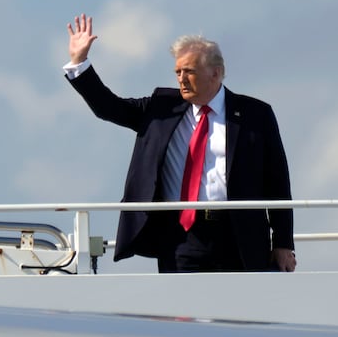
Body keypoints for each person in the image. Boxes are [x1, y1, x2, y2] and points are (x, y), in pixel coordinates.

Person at [64, 14, 296, 273]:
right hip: (180, 237)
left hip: (239, 235)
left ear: (215, 73)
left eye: (190, 72)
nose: (181, 79)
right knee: (182, 312)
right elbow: (110, 107)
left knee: (241, 312)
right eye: (178, 72)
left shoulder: (255, 114)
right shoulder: (161, 108)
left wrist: (284, 243)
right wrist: (79, 62)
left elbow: (278, 183)